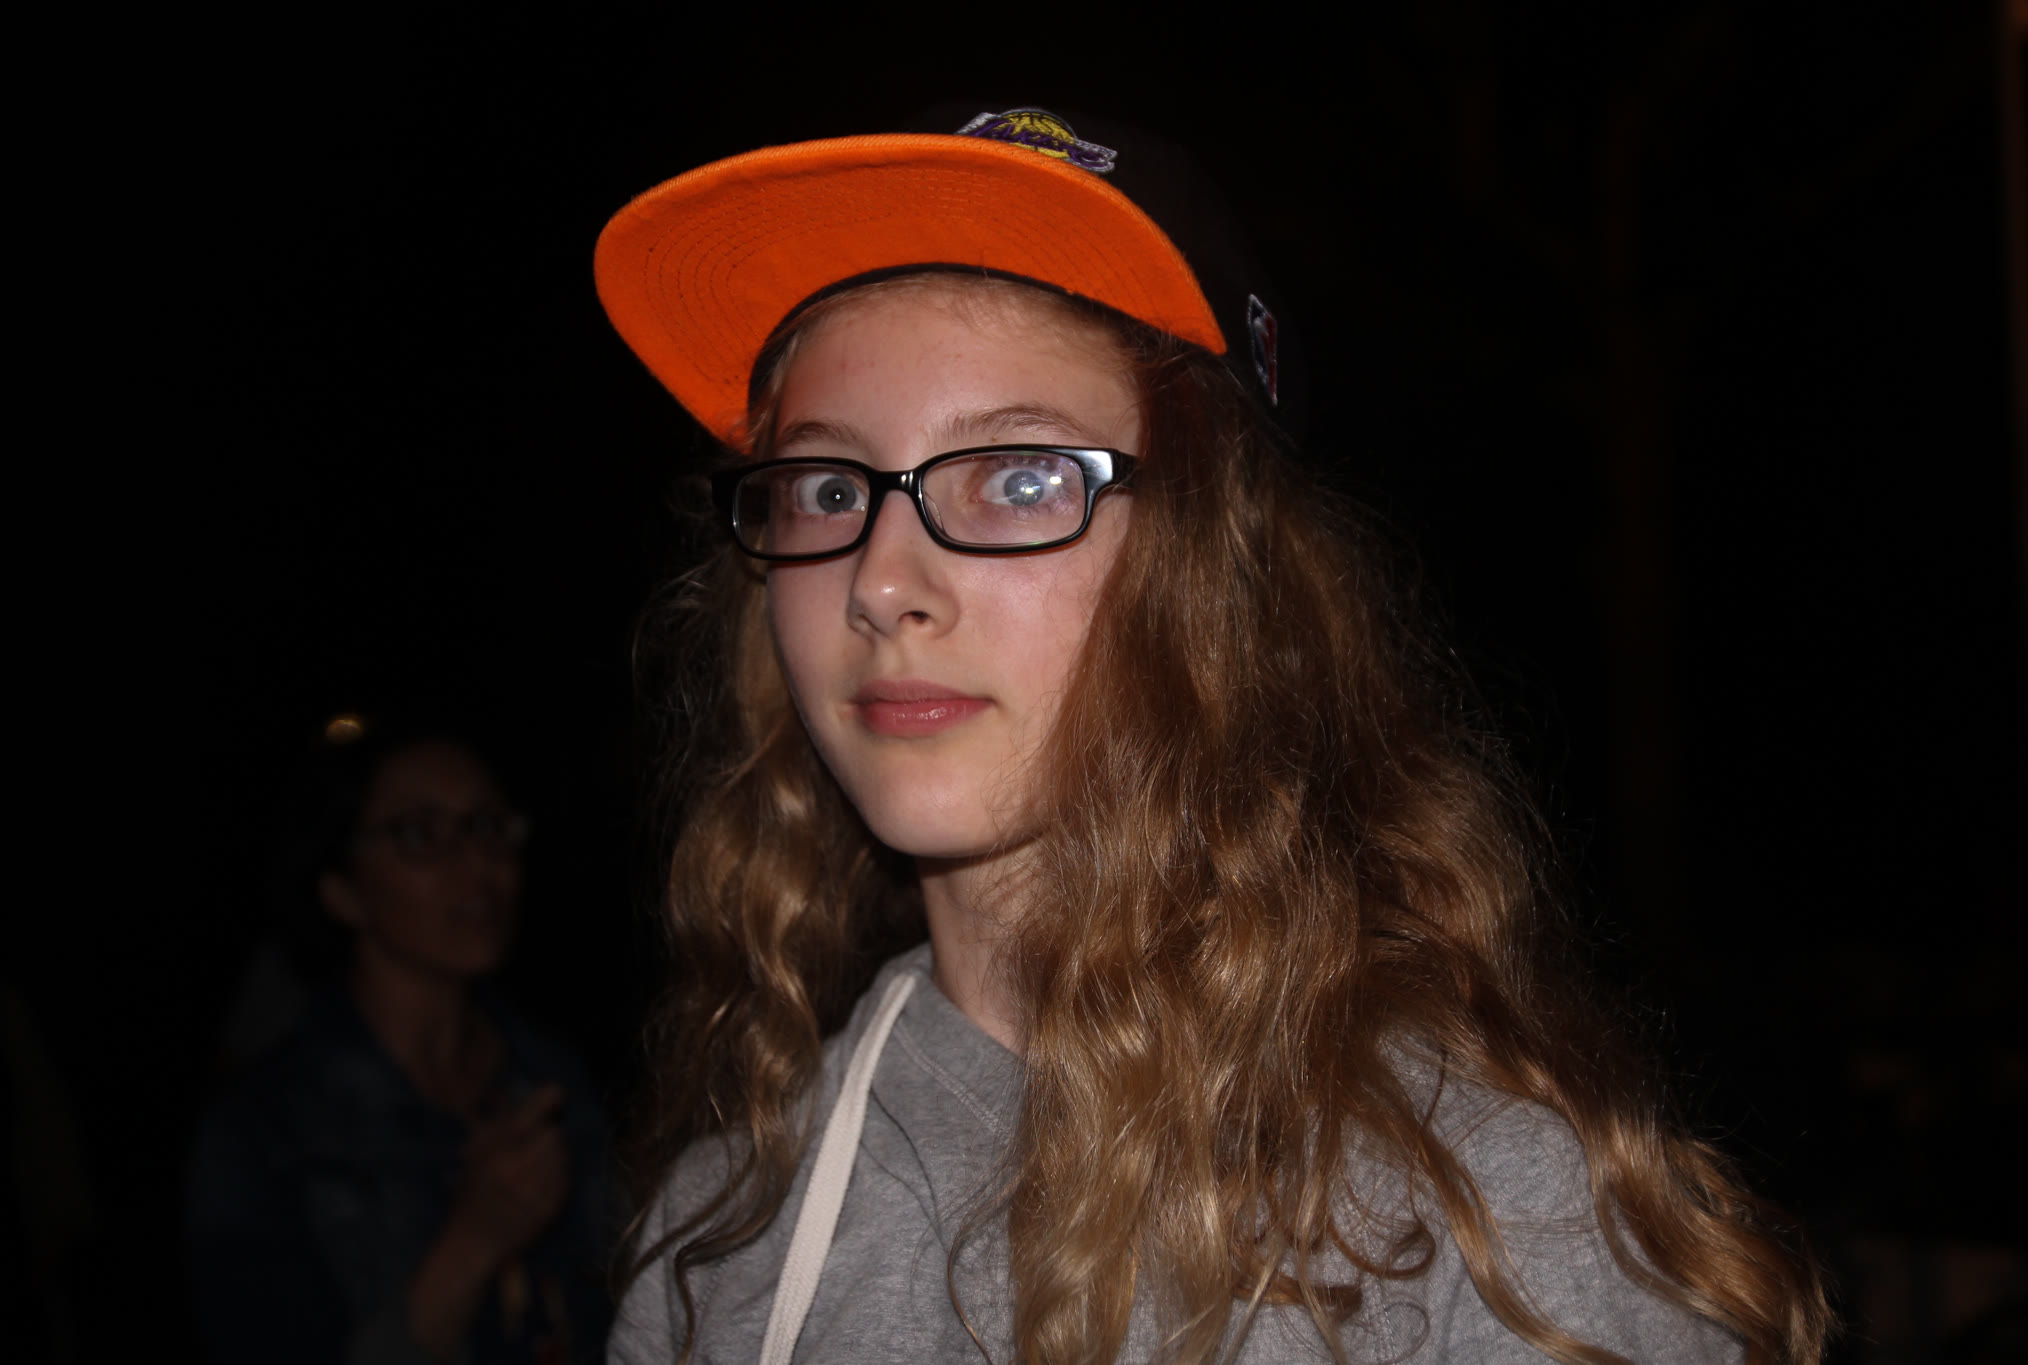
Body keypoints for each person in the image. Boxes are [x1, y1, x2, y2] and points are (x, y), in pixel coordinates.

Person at [597, 107, 1831, 1363]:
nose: (879, 580)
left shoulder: (1493, 1228)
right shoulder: (717, 1248)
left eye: (1018, 478)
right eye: (824, 489)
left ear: (1216, 573)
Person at [187, 723, 614, 1365]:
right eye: (420, 835)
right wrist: (472, 1244)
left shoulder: (551, 1080)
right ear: (341, 889)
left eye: (489, 827)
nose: (478, 864)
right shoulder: (267, 1130)